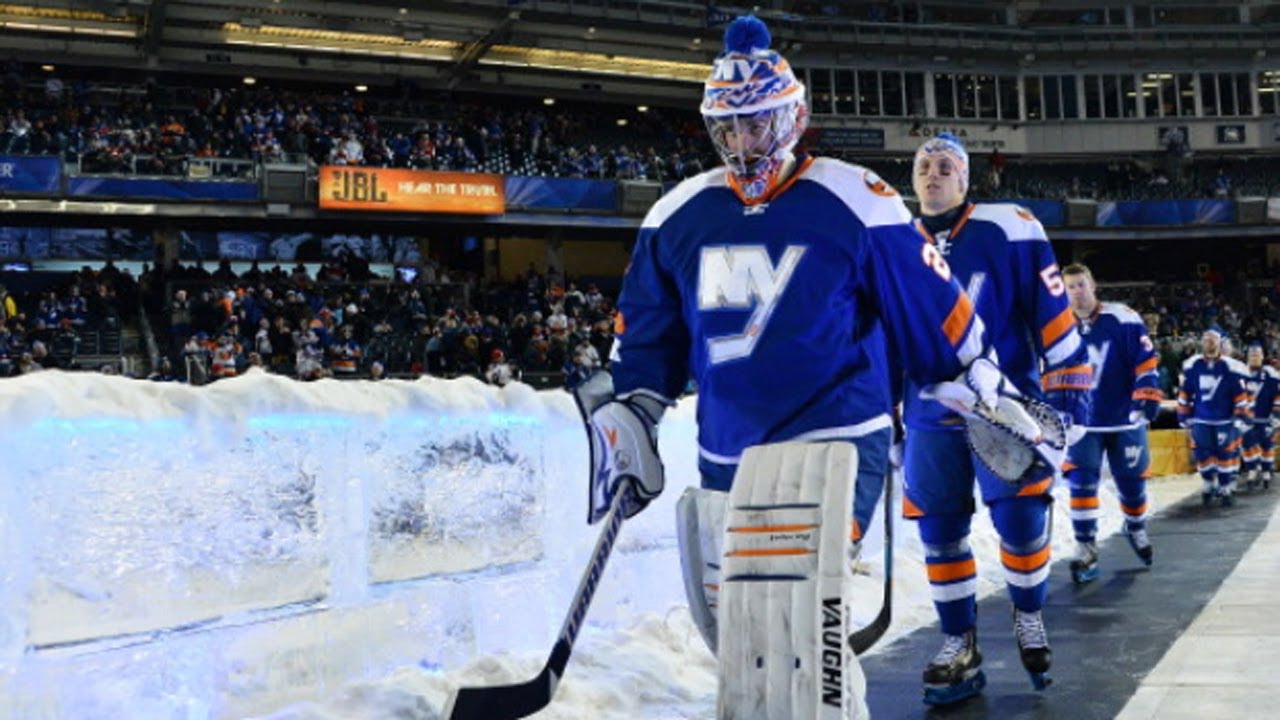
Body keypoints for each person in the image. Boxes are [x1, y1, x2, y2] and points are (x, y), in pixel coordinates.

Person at [575, 17, 1006, 717]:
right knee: (748, 632)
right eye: (732, 127)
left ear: (795, 116)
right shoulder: (677, 214)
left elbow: (930, 304)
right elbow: (649, 337)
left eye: (759, 122)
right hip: (729, 447)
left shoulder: (855, 196)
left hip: (838, 435)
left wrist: (976, 376)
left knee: (805, 612)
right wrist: (634, 409)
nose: (745, 142)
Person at [901, 132, 1092, 703]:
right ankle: (958, 640)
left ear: (965, 179)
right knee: (938, 531)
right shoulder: (891, 238)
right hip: (930, 410)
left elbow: (1053, 316)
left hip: (1006, 406)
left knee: (1019, 521)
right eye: (923, 167)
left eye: (944, 167)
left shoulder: (1011, 225)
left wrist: (1070, 398)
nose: (931, 175)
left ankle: (1028, 614)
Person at [1060, 263, 1162, 584]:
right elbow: (1048, 369)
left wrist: (1147, 393)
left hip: (1124, 418)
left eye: (1081, 284)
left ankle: (1135, 527)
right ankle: (1085, 547)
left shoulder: (1124, 317)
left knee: (1132, 484)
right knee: (1081, 483)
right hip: (1081, 423)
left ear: (1094, 285)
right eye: (1071, 287)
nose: (1077, 292)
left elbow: (1145, 358)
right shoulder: (1057, 326)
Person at [1178, 327, 1251, 506]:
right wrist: (1183, 416)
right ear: (1201, 342)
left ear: (1220, 342)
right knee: (1202, 455)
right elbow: (1185, 392)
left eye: (1213, 339)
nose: (1209, 342)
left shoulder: (1230, 366)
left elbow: (1240, 396)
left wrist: (1241, 418)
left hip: (1224, 420)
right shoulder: (1193, 365)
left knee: (1225, 455)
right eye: (1206, 338)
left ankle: (1226, 487)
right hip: (1201, 419)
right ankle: (1209, 484)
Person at [1240, 341, 1279, 490]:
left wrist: (1276, 415)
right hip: (1247, 418)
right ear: (1247, 356)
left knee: (1267, 444)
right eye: (1252, 355)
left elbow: (1278, 396)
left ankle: (1266, 470)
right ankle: (1252, 470)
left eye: (1257, 355)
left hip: (1265, 417)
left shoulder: (1271, 374)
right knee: (1247, 444)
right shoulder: (1241, 373)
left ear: (1263, 356)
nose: (1254, 357)